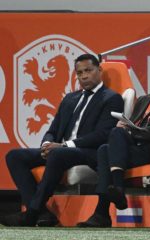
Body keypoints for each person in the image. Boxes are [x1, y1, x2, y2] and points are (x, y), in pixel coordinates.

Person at [77, 49, 150, 228]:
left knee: (114, 139)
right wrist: (126, 128)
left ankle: (106, 206)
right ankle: (107, 203)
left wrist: (133, 131)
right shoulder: (144, 100)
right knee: (106, 146)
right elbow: (131, 126)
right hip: (137, 149)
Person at [0, 54, 124, 227]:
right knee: (14, 156)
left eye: (88, 70)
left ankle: (32, 213)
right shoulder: (70, 99)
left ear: (99, 70)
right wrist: (46, 144)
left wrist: (65, 145)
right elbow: (53, 129)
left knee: (58, 153)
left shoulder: (111, 98)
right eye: (80, 73)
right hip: (62, 149)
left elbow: (103, 134)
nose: (84, 76)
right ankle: (43, 213)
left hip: (90, 151)